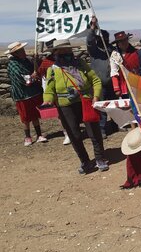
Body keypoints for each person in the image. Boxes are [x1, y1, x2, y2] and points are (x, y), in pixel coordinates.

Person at [42, 39, 109, 174]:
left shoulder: (80, 64)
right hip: (65, 105)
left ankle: (100, 158)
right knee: (74, 135)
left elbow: (95, 80)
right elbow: (49, 89)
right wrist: (47, 100)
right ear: (56, 52)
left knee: (94, 132)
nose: (67, 52)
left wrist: (95, 96)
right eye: (63, 50)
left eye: (68, 49)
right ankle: (85, 162)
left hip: (85, 101)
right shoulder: (53, 70)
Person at [6, 41, 47, 146]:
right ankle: (27, 137)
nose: (23, 52)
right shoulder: (13, 64)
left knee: (34, 115)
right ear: (15, 53)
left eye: (23, 50)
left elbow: (34, 69)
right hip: (22, 95)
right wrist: (33, 76)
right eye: (21, 51)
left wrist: (35, 61)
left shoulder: (26, 61)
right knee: (25, 117)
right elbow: (23, 80)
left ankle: (39, 135)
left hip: (32, 93)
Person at [37, 42, 71, 145]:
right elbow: (40, 74)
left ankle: (73, 130)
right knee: (61, 113)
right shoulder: (46, 62)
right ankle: (67, 133)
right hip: (56, 92)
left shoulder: (69, 59)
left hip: (69, 88)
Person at [109, 31, 139, 98]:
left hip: (137, 84)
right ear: (117, 43)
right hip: (124, 85)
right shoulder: (115, 55)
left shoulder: (136, 53)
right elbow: (114, 72)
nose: (123, 43)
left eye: (124, 40)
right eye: (120, 41)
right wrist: (116, 88)